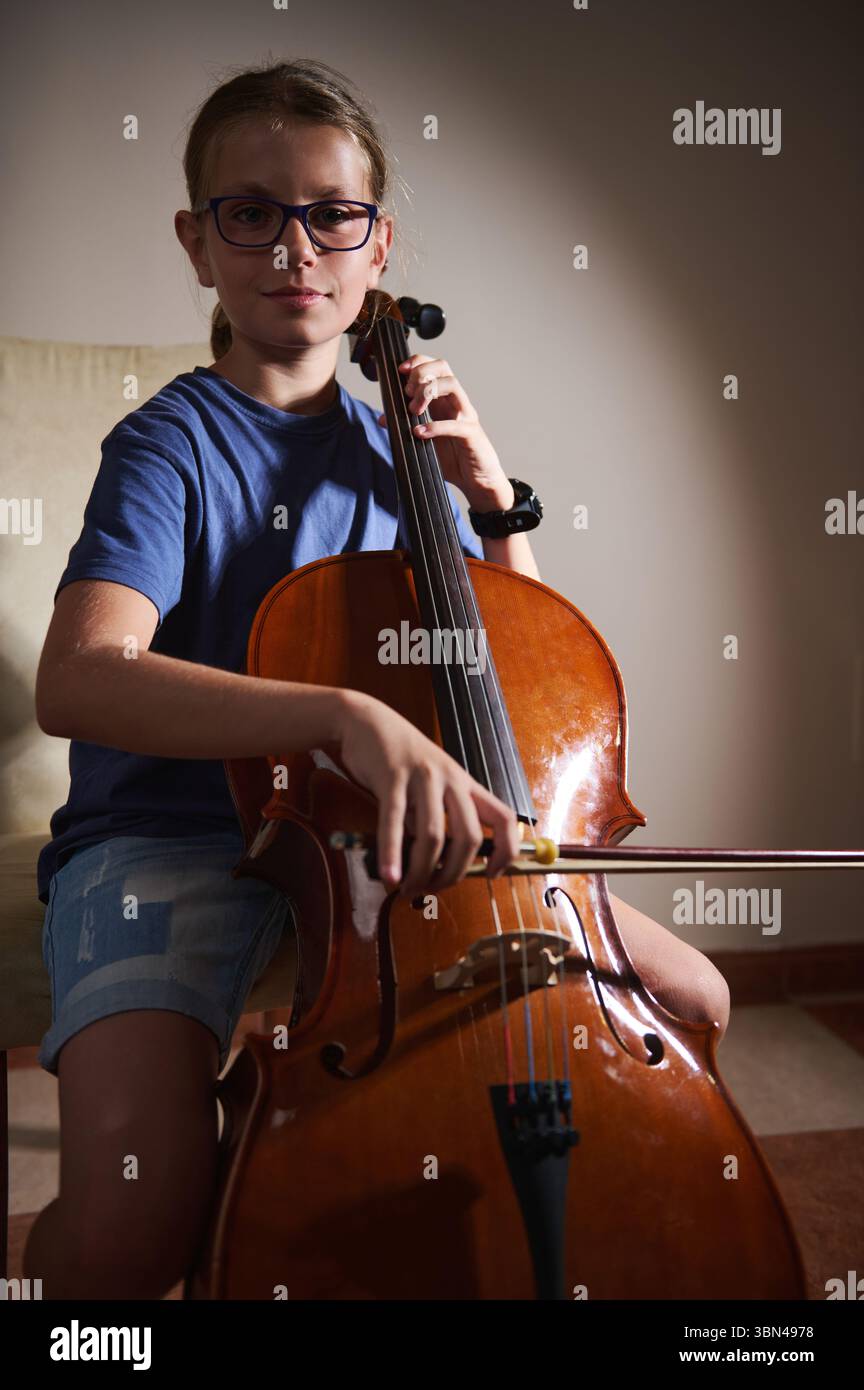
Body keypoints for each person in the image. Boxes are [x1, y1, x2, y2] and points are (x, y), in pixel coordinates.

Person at [24, 58, 730, 1301]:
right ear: (199, 244)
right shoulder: (170, 444)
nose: (295, 248)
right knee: (134, 1234)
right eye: (253, 212)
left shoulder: (398, 454)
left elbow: (518, 677)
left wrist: (492, 499)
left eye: (329, 214)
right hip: (169, 845)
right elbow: (79, 681)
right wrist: (342, 716)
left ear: (374, 241)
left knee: (696, 1002)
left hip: (388, 853)